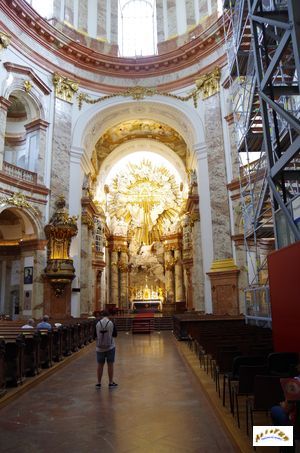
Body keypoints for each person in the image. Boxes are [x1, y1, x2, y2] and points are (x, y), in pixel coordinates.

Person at [95, 310, 117, 389]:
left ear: (101, 315)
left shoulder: (97, 323)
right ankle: (110, 382)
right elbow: (115, 334)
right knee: (110, 364)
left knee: (100, 365)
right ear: (108, 315)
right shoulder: (111, 323)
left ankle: (98, 383)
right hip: (110, 346)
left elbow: (95, 335)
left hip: (99, 347)